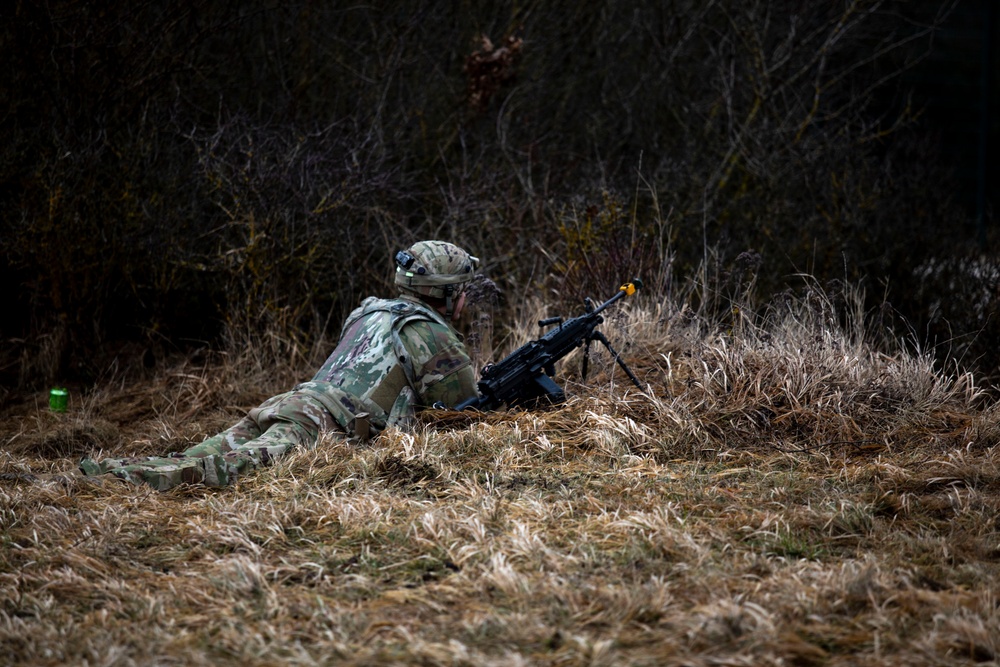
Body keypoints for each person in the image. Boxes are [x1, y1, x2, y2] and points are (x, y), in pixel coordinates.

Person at [78, 240, 482, 490]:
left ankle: (102, 472)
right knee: (215, 474)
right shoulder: (434, 336)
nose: (467, 299)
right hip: (319, 427)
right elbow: (465, 410)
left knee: (196, 455)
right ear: (446, 296)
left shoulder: (368, 310)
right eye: (463, 291)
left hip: (289, 405)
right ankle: (103, 480)